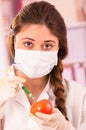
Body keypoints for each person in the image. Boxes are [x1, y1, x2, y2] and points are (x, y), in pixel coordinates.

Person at [0, 1, 86, 130]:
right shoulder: (2, 92)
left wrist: (66, 128)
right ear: (13, 42)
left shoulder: (79, 96)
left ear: (59, 49)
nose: (36, 53)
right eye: (28, 43)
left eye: (47, 45)